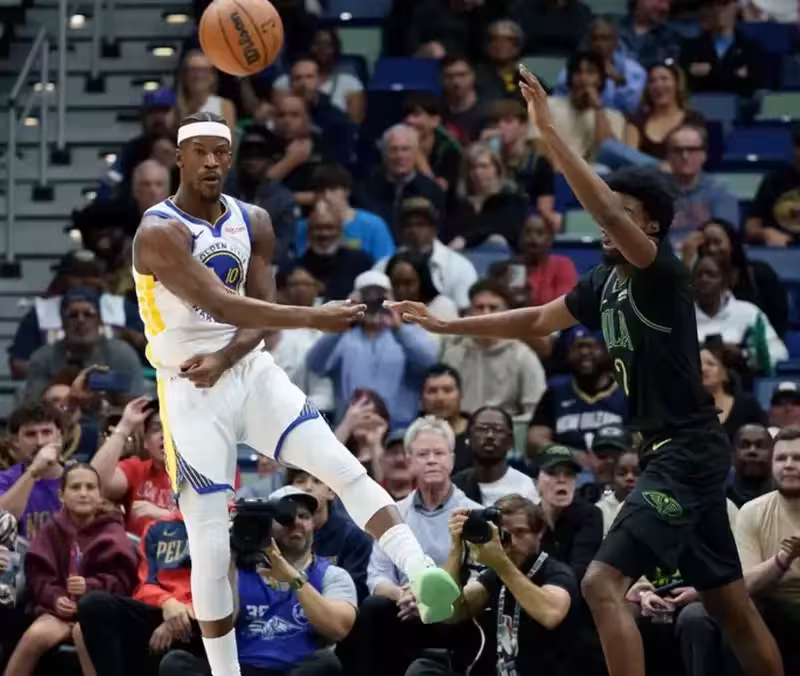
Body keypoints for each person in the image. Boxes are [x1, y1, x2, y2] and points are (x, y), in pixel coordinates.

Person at [389, 67, 784, 676]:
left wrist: (549, 131)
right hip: (675, 452)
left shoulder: (660, 273)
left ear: (648, 226)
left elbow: (601, 203)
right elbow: (535, 319)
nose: (605, 221)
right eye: (608, 214)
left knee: (601, 581)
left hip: (685, 451)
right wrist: (446, 326)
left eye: (621, 213)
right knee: (729, 605)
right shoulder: (603, 282)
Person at [131, 111, 459, 676]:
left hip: (248, 368)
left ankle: (419, 568)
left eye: (220, 152)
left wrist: (227, 356)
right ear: (178, 158)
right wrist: (313, 316)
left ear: (230, 158)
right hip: (187, 386)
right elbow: (223, 302)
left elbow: (257, 313)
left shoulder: (254, 220)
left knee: (341, 465)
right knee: (209, 541)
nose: (211, 162)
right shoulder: (158, 231)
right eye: (200, 151)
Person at [3, 463, 138, 676]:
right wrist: (56, 598)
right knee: (35, 635)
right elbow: (39, 576)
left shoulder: (113, 531)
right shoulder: (51, 530)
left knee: (83, 635)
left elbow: (123, 582)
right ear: (61, 495)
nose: (83, 493)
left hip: (99, 617)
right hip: (57, 613)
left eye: (90, 487)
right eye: (75, 487)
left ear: (100, 495)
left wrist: (90, 587)